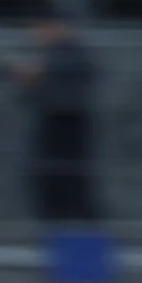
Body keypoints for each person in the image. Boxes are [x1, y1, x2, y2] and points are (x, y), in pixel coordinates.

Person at [10, 19, 100, 225]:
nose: (35, 36)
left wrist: (39, 74)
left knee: (69, 181)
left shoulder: (72, 52)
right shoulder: (53, 55)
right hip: (51, 121)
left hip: (68, 123)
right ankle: (57, 228)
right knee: (48, 181)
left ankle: (76, 232)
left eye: (39, 30)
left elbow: (76, 70)